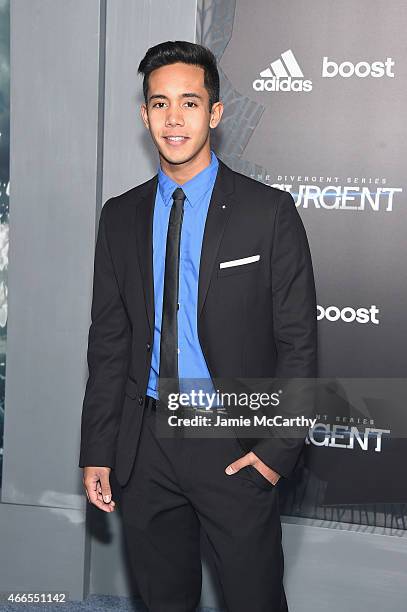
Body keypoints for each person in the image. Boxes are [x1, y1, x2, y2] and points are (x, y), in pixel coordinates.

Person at [79, 40, 317, 612]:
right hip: (146, 443)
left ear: (215, 112)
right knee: (163, 600)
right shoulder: (120, 216)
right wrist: (98, 447)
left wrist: (276, 450)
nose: (174, 117)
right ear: (145, 116)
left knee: (253, 600)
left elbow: (299, 345)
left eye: (189, 102)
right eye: (160, 104)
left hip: (232, 437)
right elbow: (110, 345)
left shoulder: (269, 212)